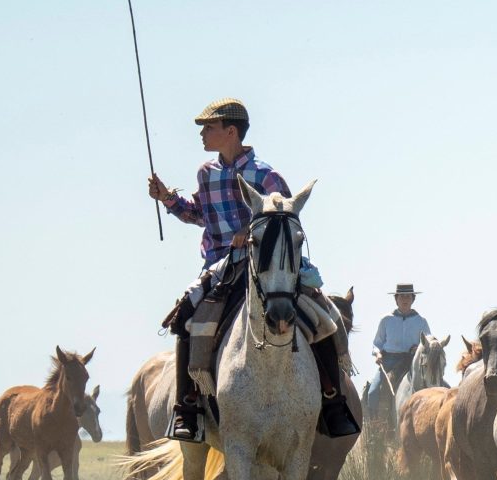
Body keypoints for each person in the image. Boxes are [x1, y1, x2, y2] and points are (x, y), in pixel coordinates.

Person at [147, 98, 359, 442]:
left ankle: (333, 400)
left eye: (209, 127)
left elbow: (288, 223)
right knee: (185, 317)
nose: (202, 133)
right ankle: (188, 408)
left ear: (231, 132)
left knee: (325, 317)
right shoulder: (206, 173)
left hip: (269, 267)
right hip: (221, 267)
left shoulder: (266, 175)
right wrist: (168, 199)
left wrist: (251, 232)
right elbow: (201, 215)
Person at [368, 284, 431, 409]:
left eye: (408, 296)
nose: (405, 299)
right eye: (401, 296)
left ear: (413, 299)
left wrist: (418, 348)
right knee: (372, 392)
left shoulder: (421, 321)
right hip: (388, 361)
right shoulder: (386, 319)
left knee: (441, 387)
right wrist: (377, 354)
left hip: (412, 361)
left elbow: (428, 344)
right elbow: (377, 343)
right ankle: (374, 424)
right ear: (396, 299)